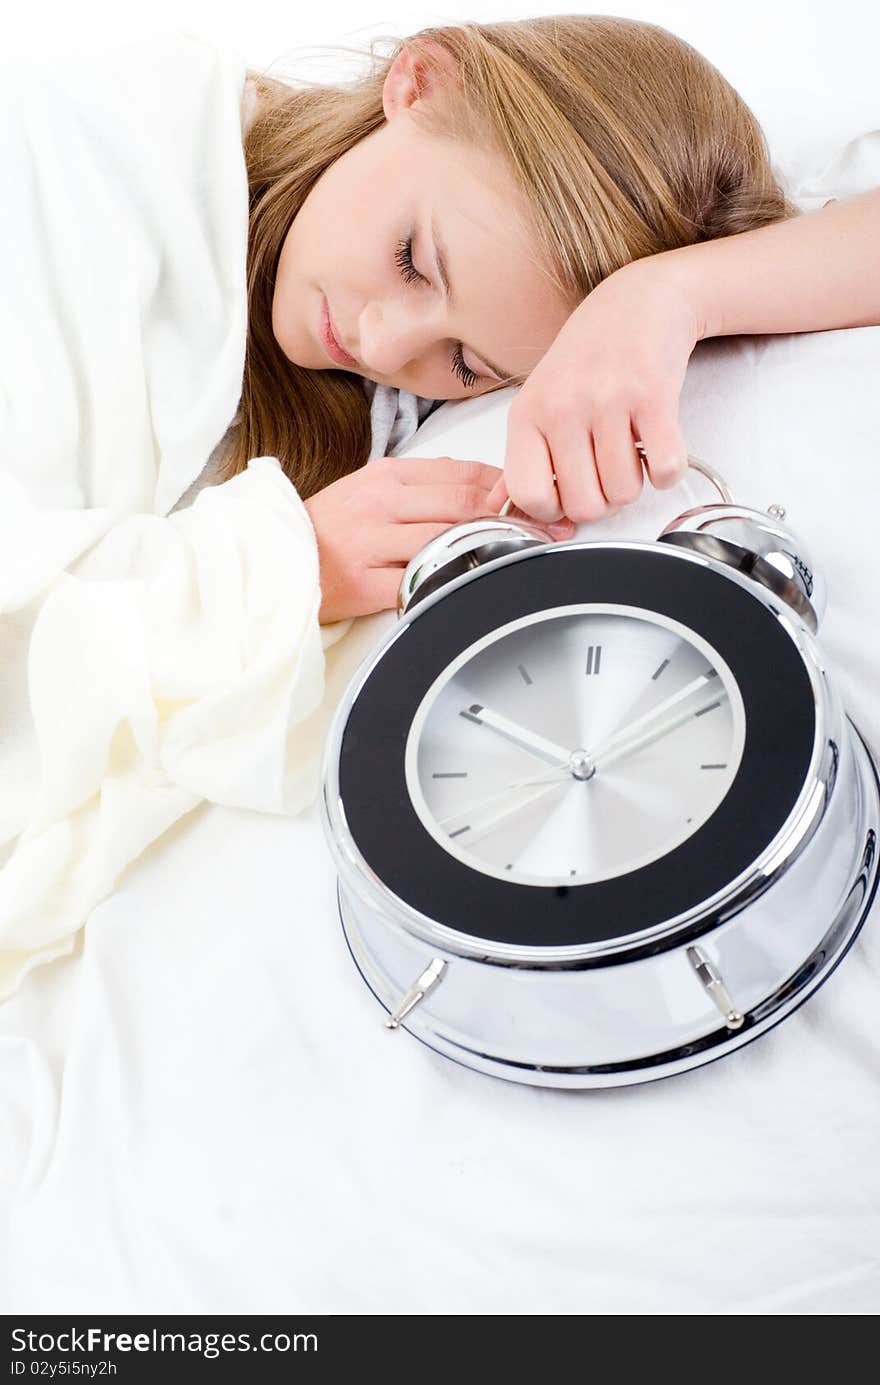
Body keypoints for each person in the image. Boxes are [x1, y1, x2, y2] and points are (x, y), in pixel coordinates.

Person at [213, 14, 879, 625]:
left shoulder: (382, 414)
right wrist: (269, 569)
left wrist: (674, 294)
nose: (383, 347)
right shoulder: (152, 164)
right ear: (421, 85)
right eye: (411, 260)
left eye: (466, 363)